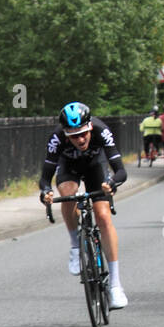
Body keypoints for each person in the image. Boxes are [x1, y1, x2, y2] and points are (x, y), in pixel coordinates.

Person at [38, 102, 129, 309]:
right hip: (68, 168)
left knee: (103, 216)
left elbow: (121, 171)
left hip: (95, 167)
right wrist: (46, 192)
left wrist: (112, 184)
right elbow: (45, 178)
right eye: (73, 135)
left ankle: (115, 285)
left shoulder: (101, 131)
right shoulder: (57, 138)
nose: (80, 139)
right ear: (65, 133)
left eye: (83, 134)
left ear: (89, 127)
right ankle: (75, 245)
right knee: (68, 194)